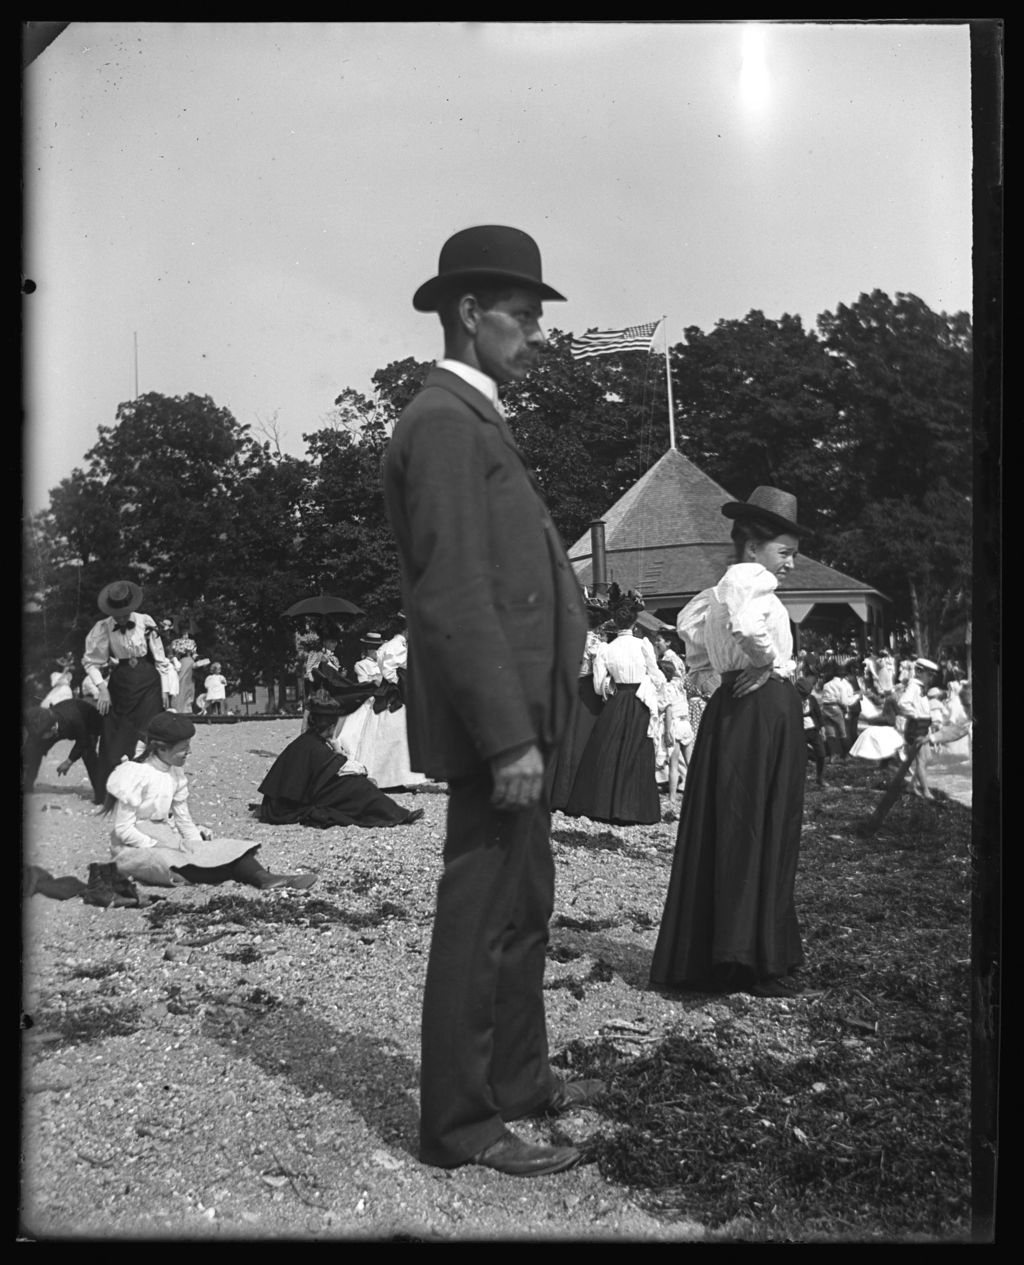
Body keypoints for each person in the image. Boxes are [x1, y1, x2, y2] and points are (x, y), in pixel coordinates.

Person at [382, 225, 599, 1178]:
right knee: (481, 917)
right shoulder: (438, 422)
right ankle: (461, 1122)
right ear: (470, 315)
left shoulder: (477, 420)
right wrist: (508, 736)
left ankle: (519, 1081)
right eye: (526, 315)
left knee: (524, 908)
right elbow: (454, 594)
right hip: (497, 731)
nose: (538, 334)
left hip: (525, 722)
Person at [650, 486, 811, 1000]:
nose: (789, 564)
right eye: (784, 552)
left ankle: (722, 954)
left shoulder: (718, 588)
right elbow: (744, 627)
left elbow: (690, 633)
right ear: (753, 547)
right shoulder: (750, 579)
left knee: (733, 823)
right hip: (762, 709)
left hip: (733, 710)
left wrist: (710, 671)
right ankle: (754, 959)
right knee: (765, 823)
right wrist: (763, 662)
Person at [103, 712, 316, 891]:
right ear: (161, 748)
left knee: (221, 850)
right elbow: (123, 829)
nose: (190, 752)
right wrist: (155, 844)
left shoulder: (174, 773)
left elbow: (183, 819)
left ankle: (265, 877)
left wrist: (197, 848)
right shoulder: (135, 774)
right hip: (135, 847)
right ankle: (257, 878)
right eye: (183, 747)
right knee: (174, 864)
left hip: (167, 837)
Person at [564, 585, 664, 826]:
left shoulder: (606, 649)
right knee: (638, 751)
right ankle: (636, 808)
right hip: (639, 698)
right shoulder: (643, 645)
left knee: (610, 750)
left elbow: (599, 685)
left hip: (618, 700)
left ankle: (605, 805)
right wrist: (652, 686)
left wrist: (611, 687)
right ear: (634, 622)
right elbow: (658, 677)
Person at [257, 693, 425, 829]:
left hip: (287, 800)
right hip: (290, 805)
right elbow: (342, 766)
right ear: (330, 727)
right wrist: (360, 771)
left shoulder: (307, 741)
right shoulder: (316, 748)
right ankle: (398, 815)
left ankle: (395, 813)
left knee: (353, 785)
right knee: (359, 787)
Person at [82, 580, 175, 788]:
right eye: (118, 615)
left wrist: (166, 690)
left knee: (150, 732)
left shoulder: (145, 621)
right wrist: (103, 689)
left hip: (148, 682)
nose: (122, 618)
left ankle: (152, 786)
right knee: (115, 732)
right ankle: (117, 788)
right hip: (121, 682)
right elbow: (90, 662)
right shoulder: (103, 627)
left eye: (125, 614)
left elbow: (161, 659)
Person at [333, 621, 428, 790]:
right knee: (394, 735)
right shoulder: (395, 646)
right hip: (392, 692)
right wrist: (400, 683)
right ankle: (390, 779)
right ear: (407, 630)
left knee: (391, 736)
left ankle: (393, 778)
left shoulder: (393, 645)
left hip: (389, 691)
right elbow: (389, 670)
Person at [547, 588, 609, 812]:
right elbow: (601, 677)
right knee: (583, 741)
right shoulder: (599, 647)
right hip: (589, 692)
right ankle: (574, 796)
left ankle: (554, 792)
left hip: (567, 689)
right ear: (600, 623)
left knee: (563, 739)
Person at [23, 699, 106, 803]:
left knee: (88, 755)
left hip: (89, 723)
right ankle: (27, 785)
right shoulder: (43, 719)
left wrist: (69, 761)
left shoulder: (73, 719)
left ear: (53, 729)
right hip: (61, 724)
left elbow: (83, 741)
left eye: (42, 736)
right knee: (34, 748)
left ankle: (101, 796)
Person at [897, 657, 940, 799]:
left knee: (926, 758)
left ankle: (911, 785)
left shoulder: (920, 687)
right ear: (919, 672)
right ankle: (926, 791)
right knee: (921, 760)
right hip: (916, 727)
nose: (931, 678)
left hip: (923, 726)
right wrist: (915, 714)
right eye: (929, 675)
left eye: (932, 675)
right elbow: (903, 703)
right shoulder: (914, 686)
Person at [658, 658, 694, 819]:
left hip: (674, 724)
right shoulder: (680, 686)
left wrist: (667, 731)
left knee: (673, 764)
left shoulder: (666, 688)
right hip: (686, 723)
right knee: (690, 761)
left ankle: (672, 796)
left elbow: (669, 710)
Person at [796, 676, 827, 786]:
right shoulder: (793, 701)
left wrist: (822, 729)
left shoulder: (812, 699)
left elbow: (818, 715)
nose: (805, 697)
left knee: (821, 754)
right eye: (803, 695)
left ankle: (820, 778)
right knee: (801, 757)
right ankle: (799, 780)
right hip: (800, 732)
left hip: (813, 729)